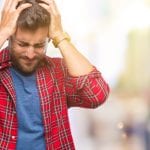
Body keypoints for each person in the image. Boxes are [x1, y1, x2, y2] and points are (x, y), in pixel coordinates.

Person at [0, 0, 109, 149]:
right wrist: (3, 31)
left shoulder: (57, 71)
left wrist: (59, 35)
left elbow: (97, 95)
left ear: (49, 39)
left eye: (39, 45)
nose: (30, 54)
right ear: (9, 37)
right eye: (22, 44)